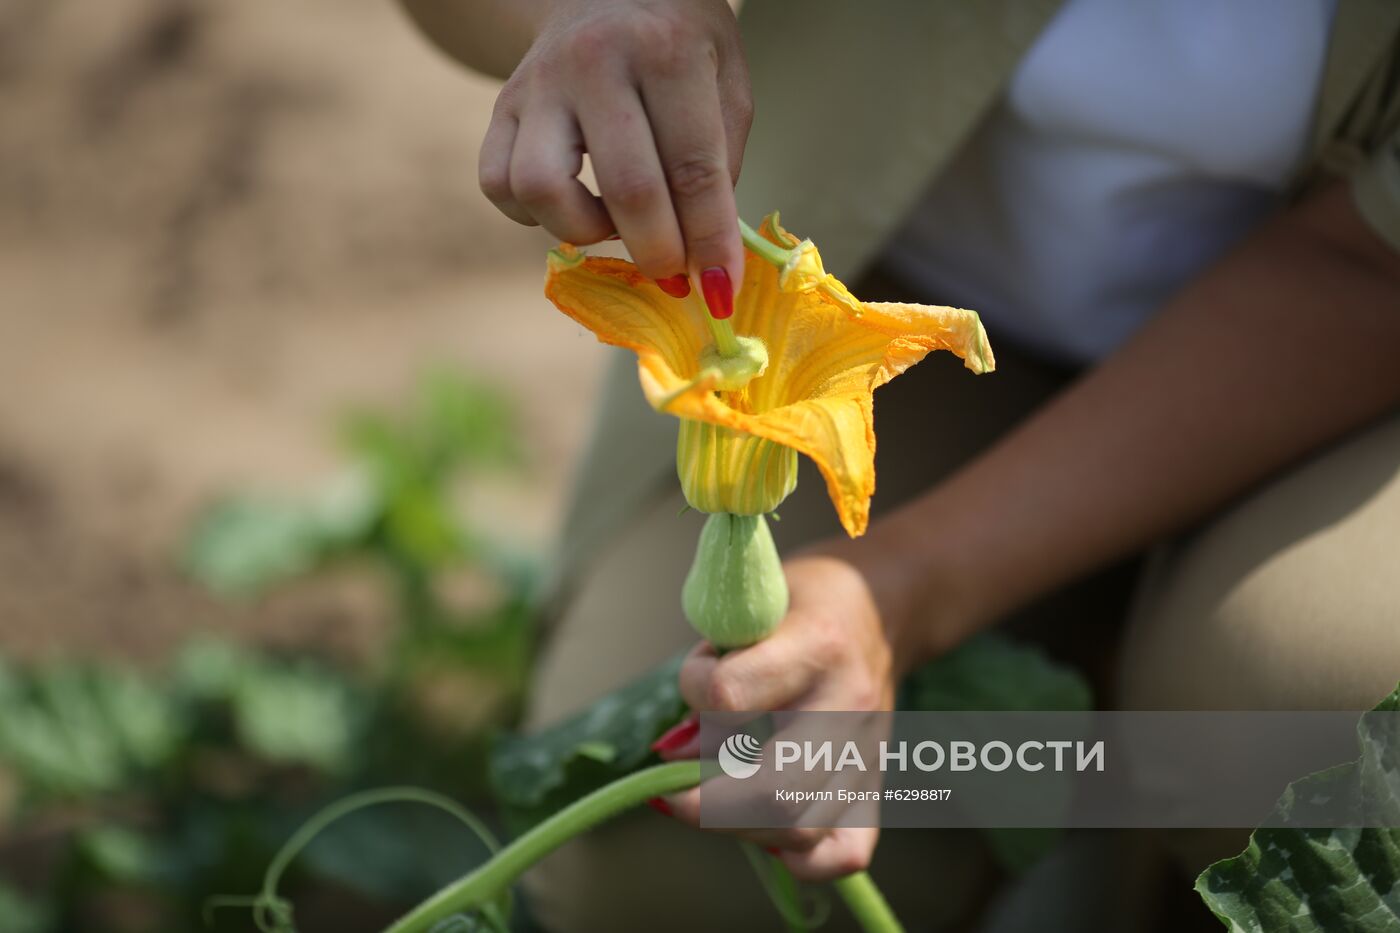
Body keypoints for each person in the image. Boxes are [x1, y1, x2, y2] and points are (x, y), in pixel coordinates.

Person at [398, 0, 1400, 929]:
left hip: (1341, 366)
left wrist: (900, 585)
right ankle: (1083, 779)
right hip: (917, 291)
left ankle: (1133, 825)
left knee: (1308, 735)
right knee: (669, 845)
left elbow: (1372, 266)